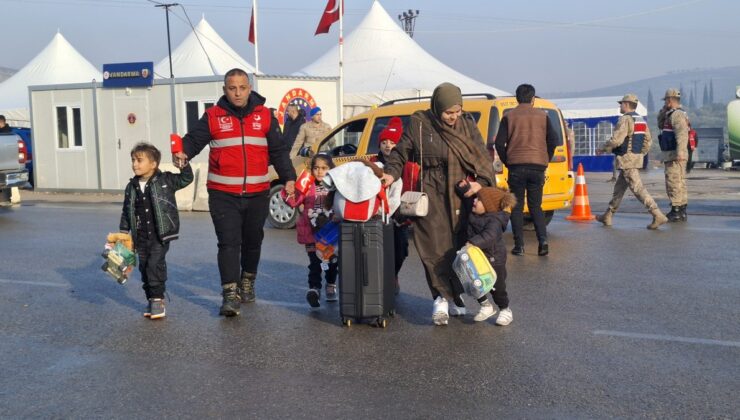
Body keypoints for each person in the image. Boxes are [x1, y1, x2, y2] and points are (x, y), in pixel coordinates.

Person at [174, 68, 296, 317]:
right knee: (229, 243)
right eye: (232, 88)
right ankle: (230, 294)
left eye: (242, 87)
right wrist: (183, 153)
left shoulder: (265, 116)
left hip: (257, 192)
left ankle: (248, 280)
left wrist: (289, 178)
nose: (237, 93)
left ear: (249, 88)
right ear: (224, 90)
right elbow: (193, 141)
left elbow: (279, 151)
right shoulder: (213, 116)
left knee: (253, 242)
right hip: (223, 194)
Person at [381, 82, 495, 326]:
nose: (453, 117)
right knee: (432, 245)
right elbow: (401, 152)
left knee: (458, 248)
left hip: (460, 192)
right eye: (448, 112)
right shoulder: (420, 123)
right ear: (436, 107)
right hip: (430, 189)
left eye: (457, 111)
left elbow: (482, 156)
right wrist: (391, 174)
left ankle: (456, 297)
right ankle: (440, 299)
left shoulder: (467, 125)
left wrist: (481, 183)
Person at [119, 142, 194, 319]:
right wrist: (123, 232)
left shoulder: (166, 180)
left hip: (161, 234)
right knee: (144, 268)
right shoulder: (131, 187)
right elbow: (126, 210)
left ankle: (158, 299)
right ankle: (151, 298)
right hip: (140, 236)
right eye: (133, 160)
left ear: (153, 164)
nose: (135, 164)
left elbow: (186, 179)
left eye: (139, 160)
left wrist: (184, 164)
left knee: (155, 265)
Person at [494, 84, 557, 257]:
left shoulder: (509, 116)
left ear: (516, 98)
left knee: (517, 207)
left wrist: (508, 161)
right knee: (536, 206)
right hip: (538, 166)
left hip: (516, 166)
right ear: (533, 98)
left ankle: (519, 246)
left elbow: (499, 143)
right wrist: (545, 159)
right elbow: (554, 140)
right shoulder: (543, 116)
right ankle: (543, 243)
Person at [595, 94, 668, 230]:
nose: (620, 106)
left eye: (621, 103)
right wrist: (639, 154)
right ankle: (608, 215)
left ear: (627, 104)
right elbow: (648, 141)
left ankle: (657, 214)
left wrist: (602, 148)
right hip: (634, 158)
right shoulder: (640, 120)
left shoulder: (625, 119)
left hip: (626, 159)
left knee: (637, 188)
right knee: (619, 189)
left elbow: (616, 140)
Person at [282, 154, 338, 308]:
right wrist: (290, 191)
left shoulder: (335, 186)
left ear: (331, 169)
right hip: (311, 232)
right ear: (312, 170)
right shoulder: (306, 185)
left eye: (324, 168)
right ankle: (315, 289)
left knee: (331, 261)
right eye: (316, 168)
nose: (320, 172)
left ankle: (331, 284)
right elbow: (294, 201)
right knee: (315, 263)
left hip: (329, 233)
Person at [465, 187, 516, 325]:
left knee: (496, 287)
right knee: (474, 284)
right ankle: (485, 305)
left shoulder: (495, 221)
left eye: (479, 199)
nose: (474, 201)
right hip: (477, 258)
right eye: (475, 198)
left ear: (488, 206)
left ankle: (505, 309)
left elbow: (490, 236)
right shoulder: (475, 215)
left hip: (494, 259)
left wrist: (472, 243)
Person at [375, 116, 410, 295]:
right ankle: (380, 280)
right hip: (376, 217)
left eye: (392, 142)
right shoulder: (373, 164)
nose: (388, 145)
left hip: (400, 218)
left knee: (401, 251)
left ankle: (393, 274)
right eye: (384, 142)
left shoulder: (407, 165)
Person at [658, 88, 690, 222]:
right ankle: (681, 209)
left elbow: (682, 134)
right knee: (679, 181)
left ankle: (676, 210)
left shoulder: (676, 115)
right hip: (673, 153)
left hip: (674, 154)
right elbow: (660, 124)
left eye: (665, 100)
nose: (664, 103)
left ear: (670, 100)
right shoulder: (671, 114)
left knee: (674, 181)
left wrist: (680, 152)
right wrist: (663, 112)